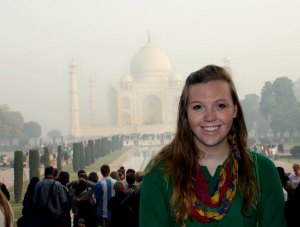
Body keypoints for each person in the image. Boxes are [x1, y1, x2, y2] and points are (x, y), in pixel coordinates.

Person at [139, 65, 286, 226]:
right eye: (198, 107)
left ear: (235, 110)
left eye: (221, 105)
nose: (209, 117)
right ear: (185, 113)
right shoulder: (160, 173)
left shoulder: (261, 170)